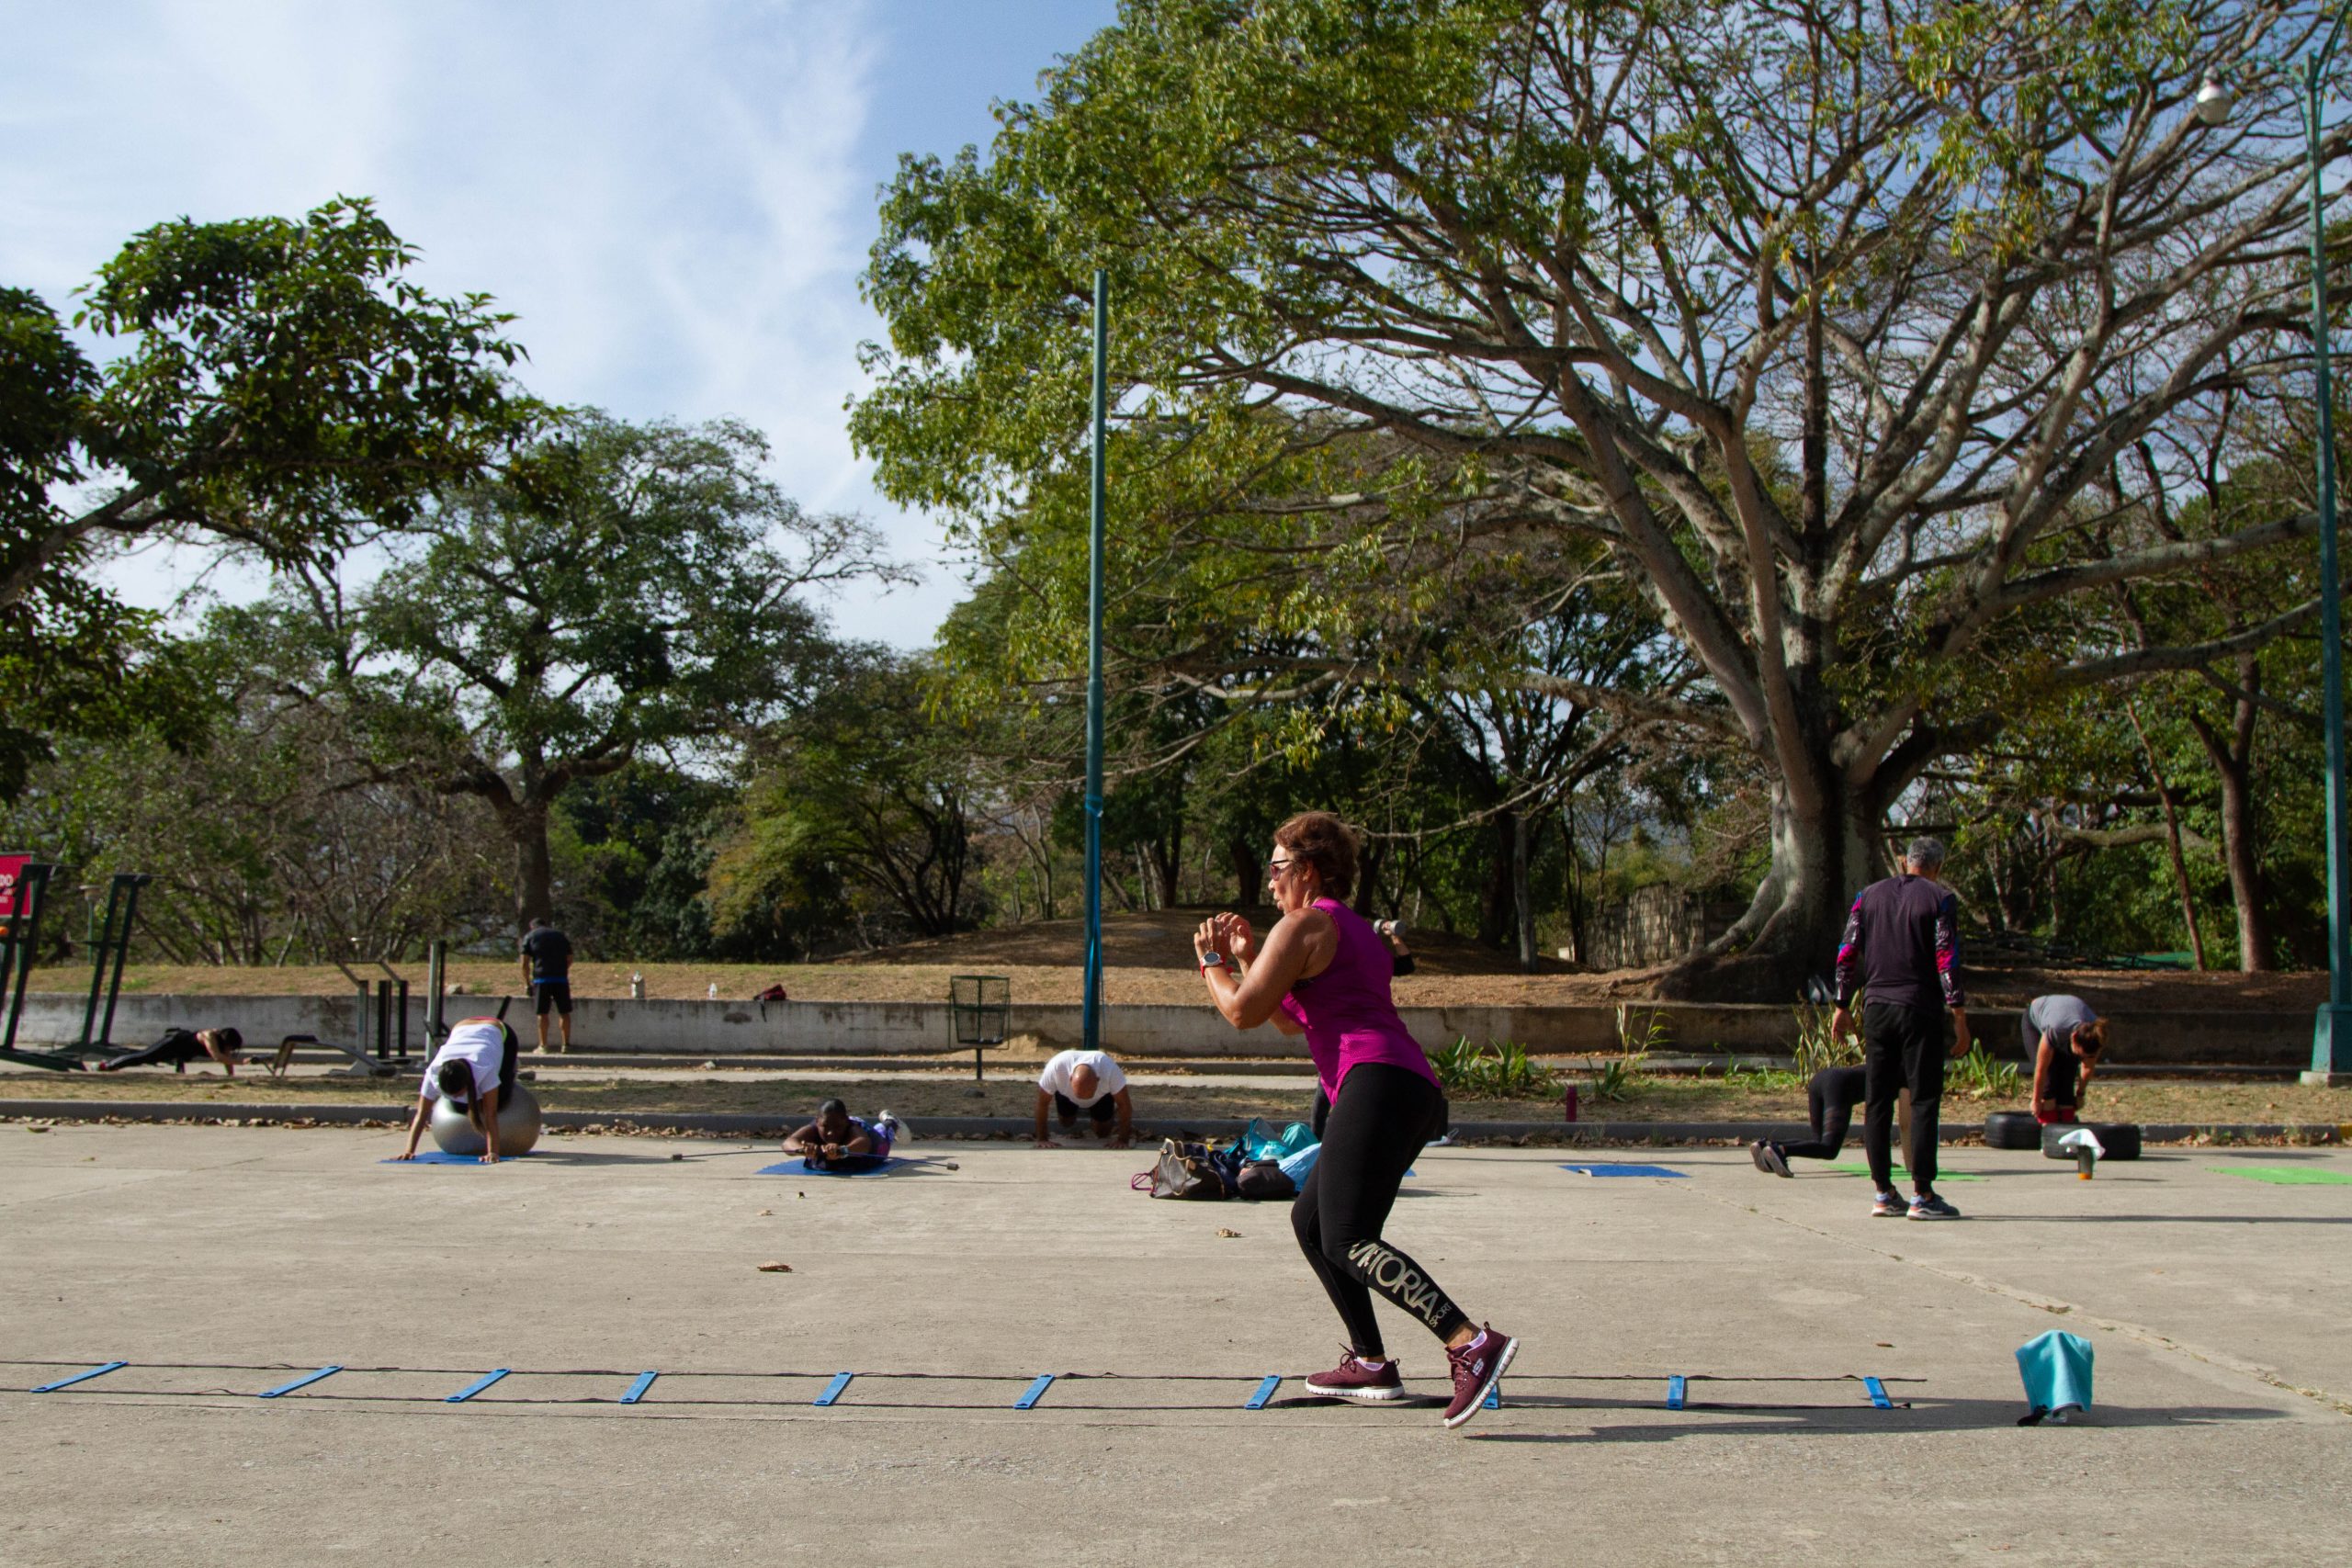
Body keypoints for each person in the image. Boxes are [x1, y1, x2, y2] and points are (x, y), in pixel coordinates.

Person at [1196, 809, 1517, 1430]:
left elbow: (1240, 1012)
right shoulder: (1353, 930)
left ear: (1307, 869)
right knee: (1313, 1222)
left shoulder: (1302, 923)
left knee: (1346, 1235)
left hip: (1376, 1081)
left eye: (1277, 867)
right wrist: (1246, 957)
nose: (1269, 881)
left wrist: (1210, 959)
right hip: (1404, 1084)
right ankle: (1370, 1360)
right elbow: (1289, 1016)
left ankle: (1468, 1341)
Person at [1830, 836, 1973, 1221]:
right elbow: (1946, 958)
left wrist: (1842, 1006)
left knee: (1878, 1099)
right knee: (1923, 1098)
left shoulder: (1867, 896)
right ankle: (1922, 1194)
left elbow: (1846, 953)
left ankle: (1883, 1191)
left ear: (1904, 861)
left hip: (1876, 1007)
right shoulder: (1940, 898)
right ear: (1937, 867)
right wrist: (1958, 1014)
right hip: (1919, 1008)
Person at [1312, 919, 1415, 1141]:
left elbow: (1407, 965)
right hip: (1342, 1034)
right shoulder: (1339, 962)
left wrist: (1393, 935)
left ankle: (1338, 1139)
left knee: (1339, 1093)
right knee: (1325, 1094)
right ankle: (1316, 1142)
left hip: (1368, 1033)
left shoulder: (1375, 961)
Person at [394, 1016, 520, 1164]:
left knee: (501, 1100)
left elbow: (490, 1114)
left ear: (468, 1083)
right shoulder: (433, 1074)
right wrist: (409, 1151)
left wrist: (493, 1152)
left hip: (499, 1031)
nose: (455, 1096)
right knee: (459, 1107)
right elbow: (421, 1114)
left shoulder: (484, 1069)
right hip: (462, 1027)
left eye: (459, 1093)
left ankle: (511, 1068)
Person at [1749, 1065, 1868, 1175]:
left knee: (1818, 1143)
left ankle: (1767, 1146)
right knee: (1830, 1149)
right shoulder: (1885, 1078)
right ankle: (1781, 1150)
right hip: (1839, 1085)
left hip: (1820, 1079)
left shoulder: (1878, 1064)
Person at [2023, 994, 2108, 1125]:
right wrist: (2036, 1100)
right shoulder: (2056, 1029)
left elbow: (2088, 1067)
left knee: (2066, 1093)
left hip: (2068, 1022)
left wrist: (2080, 1094)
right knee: (2049, 1087)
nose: (2084, 1058)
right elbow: (2041, 1069)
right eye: (2081, 1054)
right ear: (2073, 1038)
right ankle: (2048, 1137)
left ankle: (2066, 1133)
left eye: (2087, 1056)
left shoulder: (2095, 1036)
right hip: (2036, 1019)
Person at [1032, 1048, 1135, 1149]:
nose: (1084, 1100)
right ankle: (1073, 1112)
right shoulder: (1056, 1067)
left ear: (1098, 1080)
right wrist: (1042, 1138)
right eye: (1080, 1095)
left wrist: (1123, 1140)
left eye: (1088, 1094)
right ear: (1070, 1078)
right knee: (1065, 1123)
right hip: (1067, 1095)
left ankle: (1110, 1114)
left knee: (1103, 1133)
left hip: (1100, 1097)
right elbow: (1042, 1103)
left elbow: (1125, 1105)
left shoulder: (1110, 1070)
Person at [783, 1099, 901, 1172]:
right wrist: (802, 1149)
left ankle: (890, 1121)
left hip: (873, 1143)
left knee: (883, 1135)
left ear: (846, 1122)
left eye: (837, 1127)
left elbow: (864, 1143)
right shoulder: (815, 1127)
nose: (831, 1132)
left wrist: (842, 1150)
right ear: (817, 1121)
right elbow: (788, 1143)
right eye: (825, 1127)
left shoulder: (853, 1128)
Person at [520, 917, 574, 1054]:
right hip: (560, 979)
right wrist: (562, 969)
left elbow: (524, 963)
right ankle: (566, 1045)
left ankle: (543, 1046)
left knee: (542, 1013)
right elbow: (569, 958)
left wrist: (527, 983)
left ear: (532, 926)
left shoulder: (530, 936)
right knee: (564, 1012)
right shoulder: (559, 935)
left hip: (541, 980)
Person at [95, 1026, 242, 1076]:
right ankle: (108, 1065)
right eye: (230, 1047)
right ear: (226, 1041)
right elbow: (218, 1057)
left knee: (148, 1059)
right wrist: (242, 1062)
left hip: (183, 1052)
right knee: (144, 1057)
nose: (230, 1050)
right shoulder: (210, 1036)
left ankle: (110, 1065)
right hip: (174, 1042)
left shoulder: (224, 1045)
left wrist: (231, 1076)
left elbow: (226, 1059)